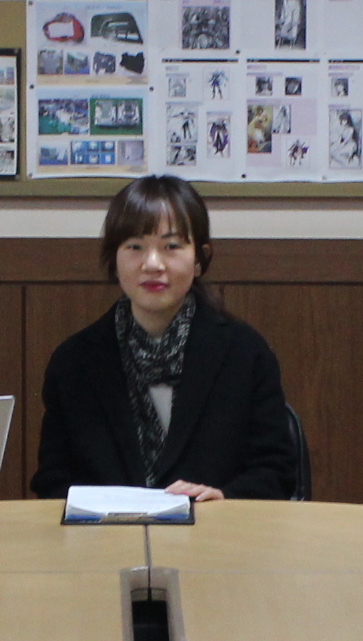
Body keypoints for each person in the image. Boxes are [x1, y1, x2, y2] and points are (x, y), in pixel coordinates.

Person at [28, 174, 301, 502]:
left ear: (199, 258)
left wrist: (223, 497)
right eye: (135, 246)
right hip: (106, 533)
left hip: (217, 531)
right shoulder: (74, 362)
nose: (153, 264)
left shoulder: (245, 354)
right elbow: (53, 482)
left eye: (171, 247)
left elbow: (276, 472)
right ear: (113, 259)